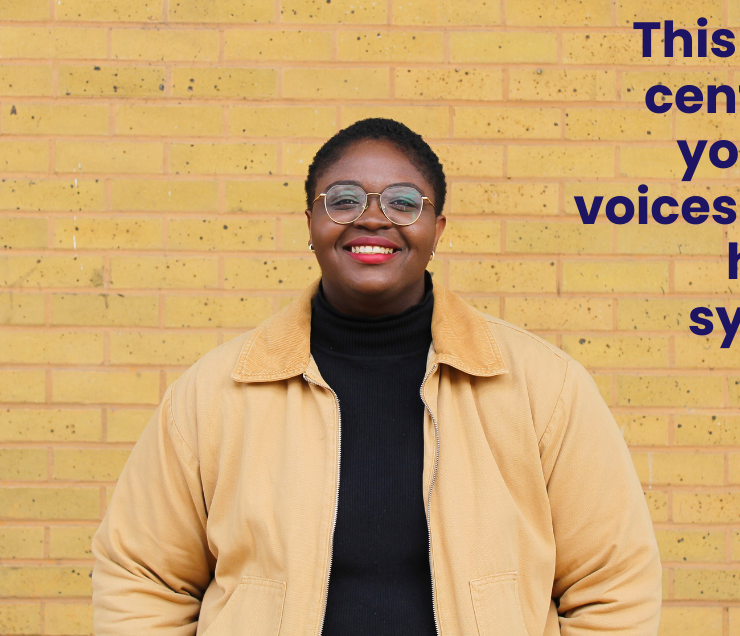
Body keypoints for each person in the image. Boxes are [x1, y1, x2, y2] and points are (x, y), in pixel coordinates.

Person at [92, 118, 662, 636]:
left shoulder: (544, 388)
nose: (371, 217)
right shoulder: (214, 394)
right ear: (310, 223)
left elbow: (613, 585)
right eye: (342, 200)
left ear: (437, 228)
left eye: (403, 202)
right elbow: (142, 581)